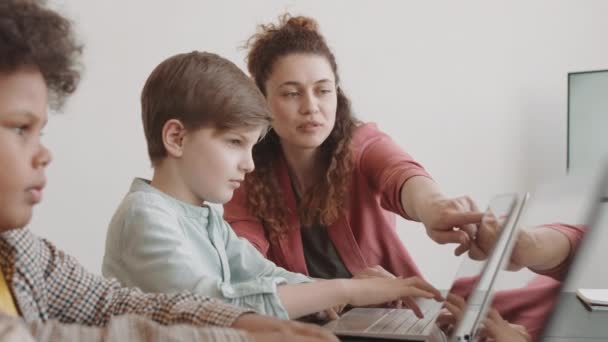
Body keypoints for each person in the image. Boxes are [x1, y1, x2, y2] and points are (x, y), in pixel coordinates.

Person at [0, 1, 338, 340]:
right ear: (176, 138)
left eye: (39, 132)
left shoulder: (18, 248)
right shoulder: (143, 214)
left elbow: (111, 304)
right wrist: (246, 335)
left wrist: (250, 323)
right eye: (19, 128)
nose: (45, 154)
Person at [102, 51, 444, 320]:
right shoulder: (144, 216)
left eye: (251, 148)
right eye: (235, 142)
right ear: (176, 138)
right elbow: (211, 307)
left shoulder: (205, 219)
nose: (249, 164)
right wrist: (345, 292)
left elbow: (265, 275)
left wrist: (350, 287)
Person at [224, 13, 483, 282]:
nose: (311, 107)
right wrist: (318, 292)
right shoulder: (247, 168)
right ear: (262, 100)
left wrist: (436, 207)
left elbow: (400, 172)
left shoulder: (362, 144)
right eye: (291, 93)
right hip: (297, 320)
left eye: (323, 91)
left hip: (391, 315)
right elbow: (244, 259)